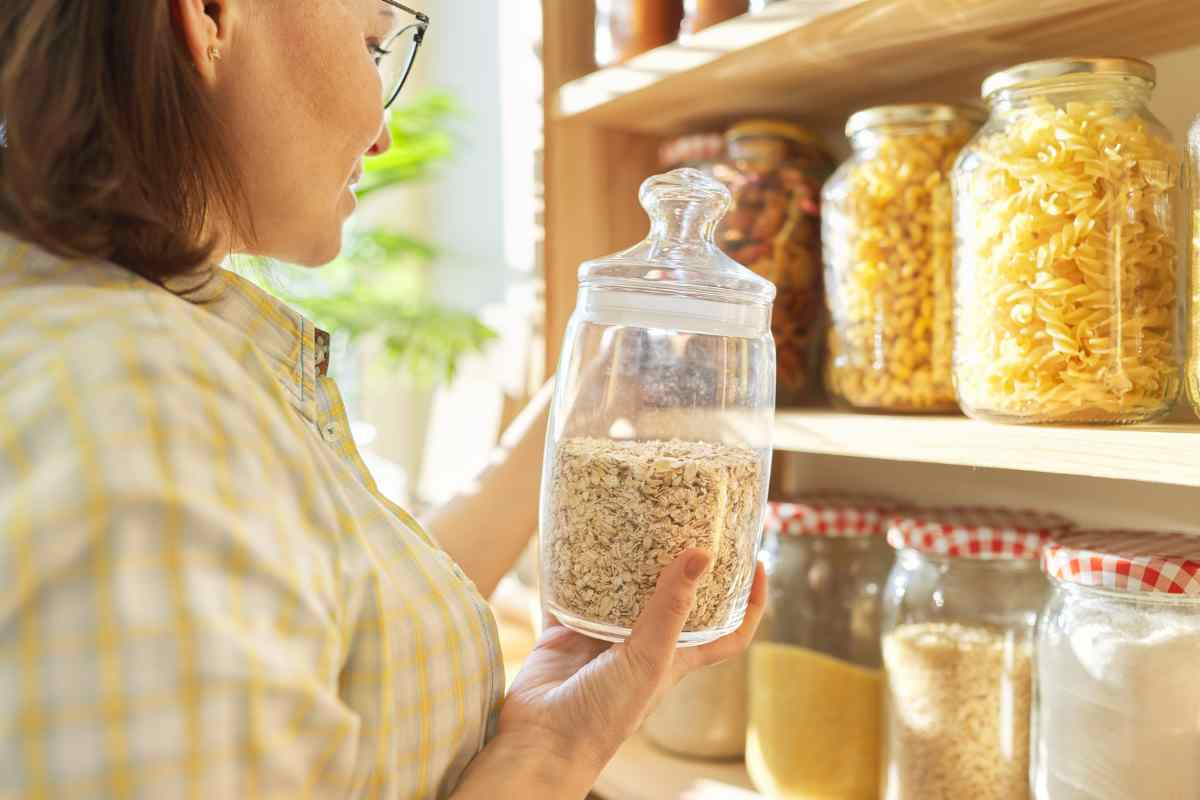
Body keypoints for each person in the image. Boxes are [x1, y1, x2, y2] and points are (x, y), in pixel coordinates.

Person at [0, 1, 766, 797]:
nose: (382, 136)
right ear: (210, 14)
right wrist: (553, 761)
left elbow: (353, 625)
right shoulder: (142, 415)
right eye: (372, 46)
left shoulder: (142, 345)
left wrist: (556, 740)